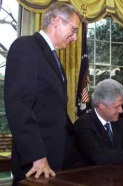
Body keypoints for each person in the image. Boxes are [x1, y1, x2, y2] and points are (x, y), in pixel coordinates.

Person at [4, 2, 86, 185]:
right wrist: (37, 155)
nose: (74, 38)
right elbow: (19, 106)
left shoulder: (54, 58)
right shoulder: (26, 47)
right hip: (37, 162)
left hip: (57, 156)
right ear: (56, 21)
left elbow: (55, 110)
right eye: (73, 30)